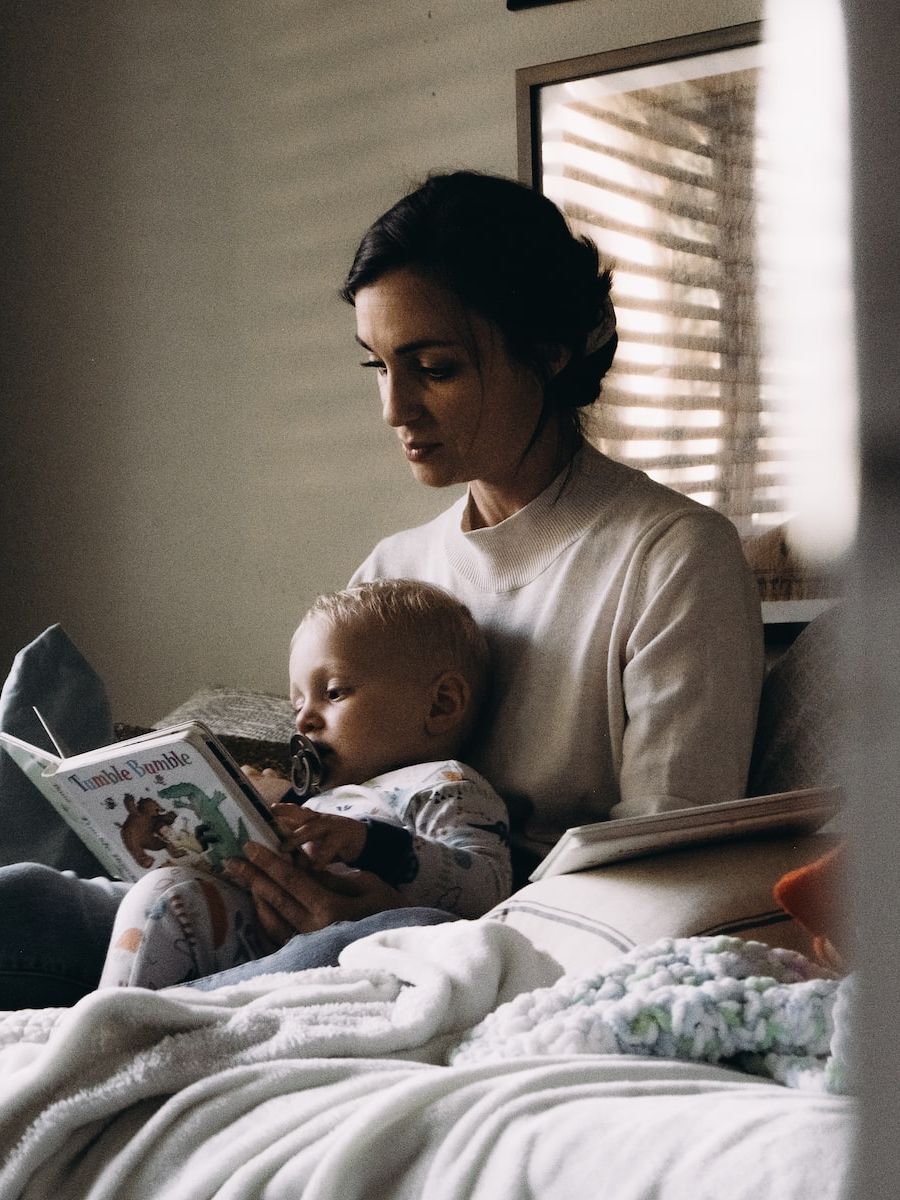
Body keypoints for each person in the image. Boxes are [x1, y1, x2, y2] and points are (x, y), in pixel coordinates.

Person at [0, 169, 763, 1005]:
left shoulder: (672, 556)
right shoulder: (395, 568)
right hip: (303, 898)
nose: (395, 408)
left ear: (548, 351)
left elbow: (661, 865)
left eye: (432, 367)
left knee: (282, 974)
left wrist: (393, 904)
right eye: (378, 365)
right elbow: (322, 773)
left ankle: (143, 1026)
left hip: (490, 937)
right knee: (26, 903)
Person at [98, 579, 511, 988]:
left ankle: (118, 1024)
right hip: (226, 926)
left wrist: (368, 843)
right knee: (69, 887)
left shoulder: (446, 784)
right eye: (298, 704)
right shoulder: (320, 795)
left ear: (440, 705)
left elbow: (486, 890)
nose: (302, 719)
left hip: (284, 952)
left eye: (332, 692)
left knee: (167, 895)